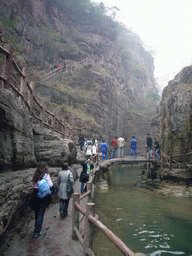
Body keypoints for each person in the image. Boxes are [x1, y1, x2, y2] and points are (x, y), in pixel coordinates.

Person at [31, 162, 53, 238]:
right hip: (43, 196)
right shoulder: (46, 176)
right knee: (41, 212)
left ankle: (36, 225)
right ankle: (37, 231)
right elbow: (51, 185)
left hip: (35, 194)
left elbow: (34, 185)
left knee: (37, 211)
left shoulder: (35, 175)